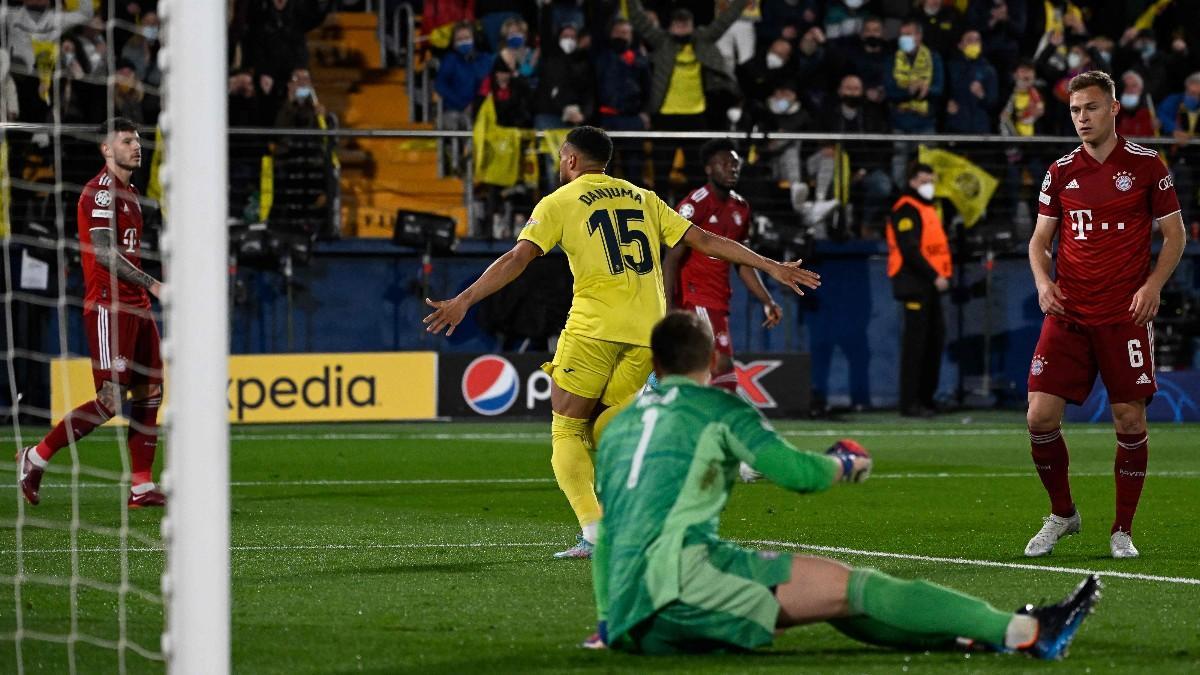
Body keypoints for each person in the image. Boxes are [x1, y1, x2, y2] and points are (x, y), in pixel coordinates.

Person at [586, 310, 1102, 657]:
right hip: (683, 586)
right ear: (715, 361)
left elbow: (608, 530)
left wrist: (611, 622)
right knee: (858, 585)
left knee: (837, 600)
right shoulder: (720, 407)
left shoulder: (620, 426)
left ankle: (970, 637)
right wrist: (844, 462)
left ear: (655, 364)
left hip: (631, 615)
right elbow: (798, 476)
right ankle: (1030, 633)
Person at [423, 126, 821, 559]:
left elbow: (519, 257)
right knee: (603, 424)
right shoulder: (642, 197)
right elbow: (705, 241)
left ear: (572, 160)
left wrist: (463, 300)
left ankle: (595, 533)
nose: (560, 164)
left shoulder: (560, 201)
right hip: (648, 332)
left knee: (567, 428)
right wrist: (771, 266)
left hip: (595, 328)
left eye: (561, 157)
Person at [1025, 70, 1186, 560]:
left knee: (1129, 420)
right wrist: (1043, 282)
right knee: (1038, 416)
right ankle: (1063, 514)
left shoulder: (1146, 165)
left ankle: (1122, 530)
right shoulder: (1061, 170)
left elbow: (1175, 236)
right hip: (1069, 311)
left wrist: (1153, 287)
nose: (1081, 118)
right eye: (1075, 110)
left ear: (1114, 109)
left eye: (1091, 108)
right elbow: (1039, 241)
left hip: (1124, 315)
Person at [18, 118, 166, 508]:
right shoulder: (100, 194)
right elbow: (103, 252)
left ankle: (141, 486)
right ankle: (35, 457)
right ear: (106, 149)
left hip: (138, 307)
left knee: (151, 390)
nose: (137, 147)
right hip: (109, 306)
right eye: (127, 141)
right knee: (110, 400)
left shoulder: (131, 192)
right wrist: (152, 282)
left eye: (138, 140)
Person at [663, 139, 782, 393]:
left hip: (718, 301)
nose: (732, 169)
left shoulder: (740, 208)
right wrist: (667, 306)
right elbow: (671, 257)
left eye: (736, 164)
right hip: (695, 298)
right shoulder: (694, 204)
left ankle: (658, 400)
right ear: (709, 169)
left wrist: (766, 300)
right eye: (725, 164)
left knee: (705, 373)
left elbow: (743, 262)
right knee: (721, 366)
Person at [885, 163, 951, 417]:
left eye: (931, 180)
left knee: (933, 343)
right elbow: (909, 249)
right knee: (916, 346)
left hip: (929, 285)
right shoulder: (906, 209)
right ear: (912, 182)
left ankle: (926, 399)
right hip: (915, 284)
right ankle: (910, 402)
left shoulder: (927, 209)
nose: (929, 186)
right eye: (924, 180)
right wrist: (935, 275)